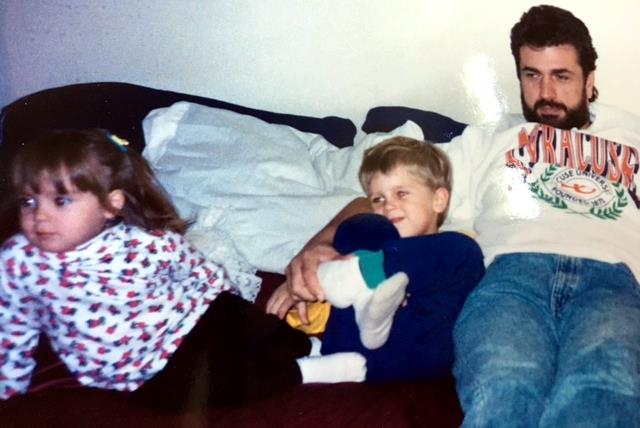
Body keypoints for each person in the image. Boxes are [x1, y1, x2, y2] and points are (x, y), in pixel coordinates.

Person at [269, 5, 640, 427]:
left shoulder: (632, 137)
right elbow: (393, 191)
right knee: (504, 385)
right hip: (512, 279)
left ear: (589, 82)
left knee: (604, 391)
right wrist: (321, 245)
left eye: (562, 76)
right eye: (532, 75)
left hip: (610, 283)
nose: (546, 92)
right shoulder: (492, 138)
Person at [0, 129, 366, 410]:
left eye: (61, 200)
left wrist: (222, 297)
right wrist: (10, 388)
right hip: (137, 370)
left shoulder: (141, 242)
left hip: (191, 316)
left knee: (240, 319)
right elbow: (12, 325)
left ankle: (307, 345)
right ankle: (304, 371)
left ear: (111, 206)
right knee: (189, 395)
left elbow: (194, 266)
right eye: (29, 201)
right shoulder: (18, 260)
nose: (39, 215)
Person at [309, 136, 484, 383]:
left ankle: (360, 273)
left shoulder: (454, 245)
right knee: (359, 227)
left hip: (419, 351)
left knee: (462, 249)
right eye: (378, 199)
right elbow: (324, 308)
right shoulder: (369, 241)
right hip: (355, 350)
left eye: (401, 194)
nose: (388, 206)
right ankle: (362, 284)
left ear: (438, 200)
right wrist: (305, 291)